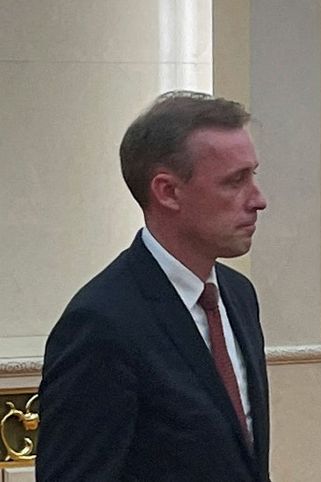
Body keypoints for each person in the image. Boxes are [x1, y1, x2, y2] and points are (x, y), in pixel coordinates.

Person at [37, 91, 270, 481]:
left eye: (253, 175)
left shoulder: (238, 296)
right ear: (167, 192)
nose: (258, 200)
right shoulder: (101, 325)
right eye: (235, 182)